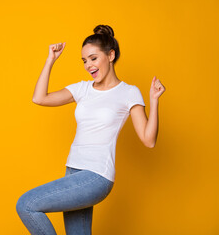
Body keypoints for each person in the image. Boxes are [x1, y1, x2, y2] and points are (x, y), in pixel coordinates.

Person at [16, 24, 166, 235]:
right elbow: (39, 98)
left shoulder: (129, 92)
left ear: (111, 55)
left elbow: (148, 140)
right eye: (85, 61)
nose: (88, 65)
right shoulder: (83, 89)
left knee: (27, 204)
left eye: (94, 58)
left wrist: (154, 101)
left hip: (96, 176)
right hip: (73, 171)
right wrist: (51, 59)